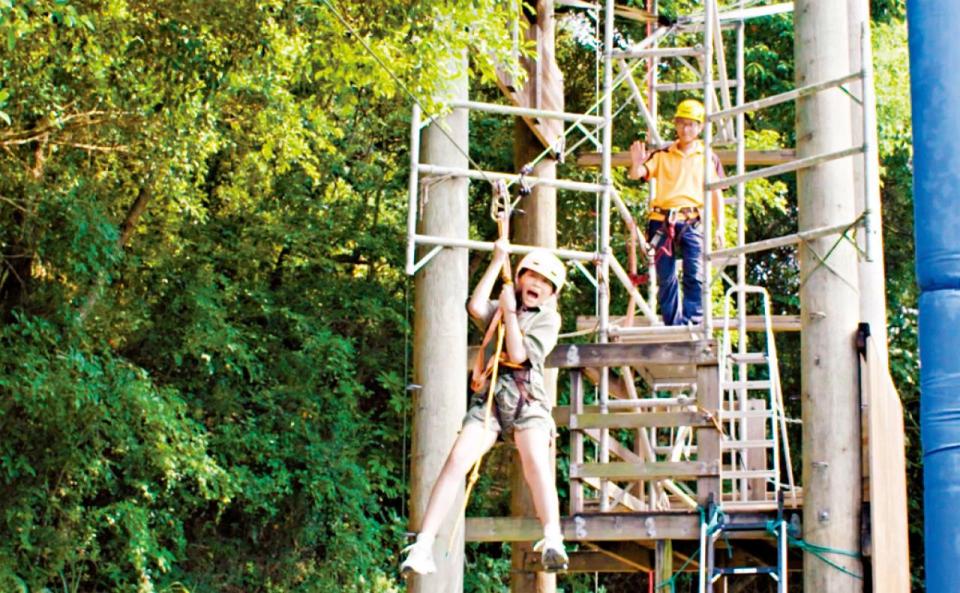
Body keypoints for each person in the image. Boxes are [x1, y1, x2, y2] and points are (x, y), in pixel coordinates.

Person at [400, 242, 569, 575]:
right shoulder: (502, 305)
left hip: (526, 400)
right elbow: (476, 305)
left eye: (545, 282)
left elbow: (519, 356)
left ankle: (552, 538)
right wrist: (497, 262)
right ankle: (423, 545)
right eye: (531, 276)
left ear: (551, 293)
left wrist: (508, 312)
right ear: (520, 280)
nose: (536, 284)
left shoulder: (548, 319)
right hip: (490, 400)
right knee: (456, 461)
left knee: (536, 461)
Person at [629, 98, 725, 326]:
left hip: (692, 221)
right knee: (666, 276)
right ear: (676, 125)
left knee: (695, 273)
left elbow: (716, 194)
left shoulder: (707, 157)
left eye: (691, 124)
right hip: (662, 221)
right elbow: (638, 174)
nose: (686, 129)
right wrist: (635, 164)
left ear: (700, 127)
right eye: (681, 123)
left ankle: (692, 321)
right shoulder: (662, 154)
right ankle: (674, 324)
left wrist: (719, 226)